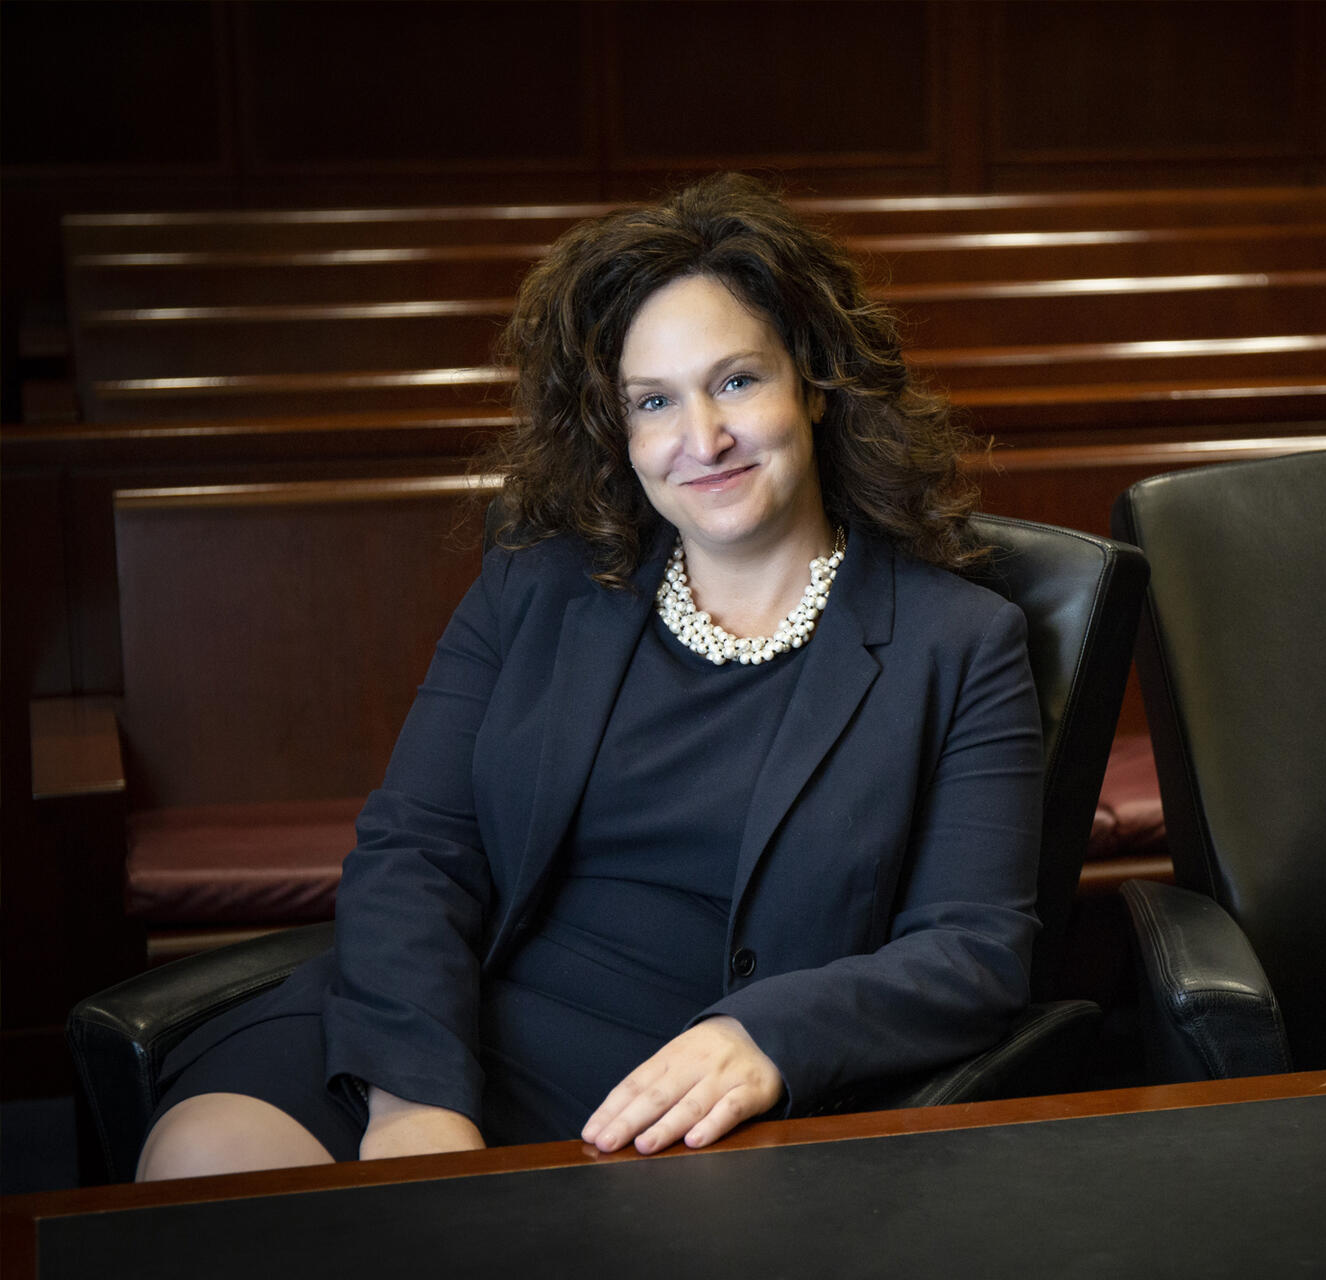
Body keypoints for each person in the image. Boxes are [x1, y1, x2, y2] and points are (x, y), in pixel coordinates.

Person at [136, 173, 1044, 1179]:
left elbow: (972, 950)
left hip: (673, 1092)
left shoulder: (958, 640)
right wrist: (412, 1098)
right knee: (203, 1162)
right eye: (654, 402)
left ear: (816, 384)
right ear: (621, 433)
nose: (702, 440)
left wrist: (766, 1037)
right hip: (438, 1024)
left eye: (737, 382)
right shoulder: (537, 585)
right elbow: (417, 850)